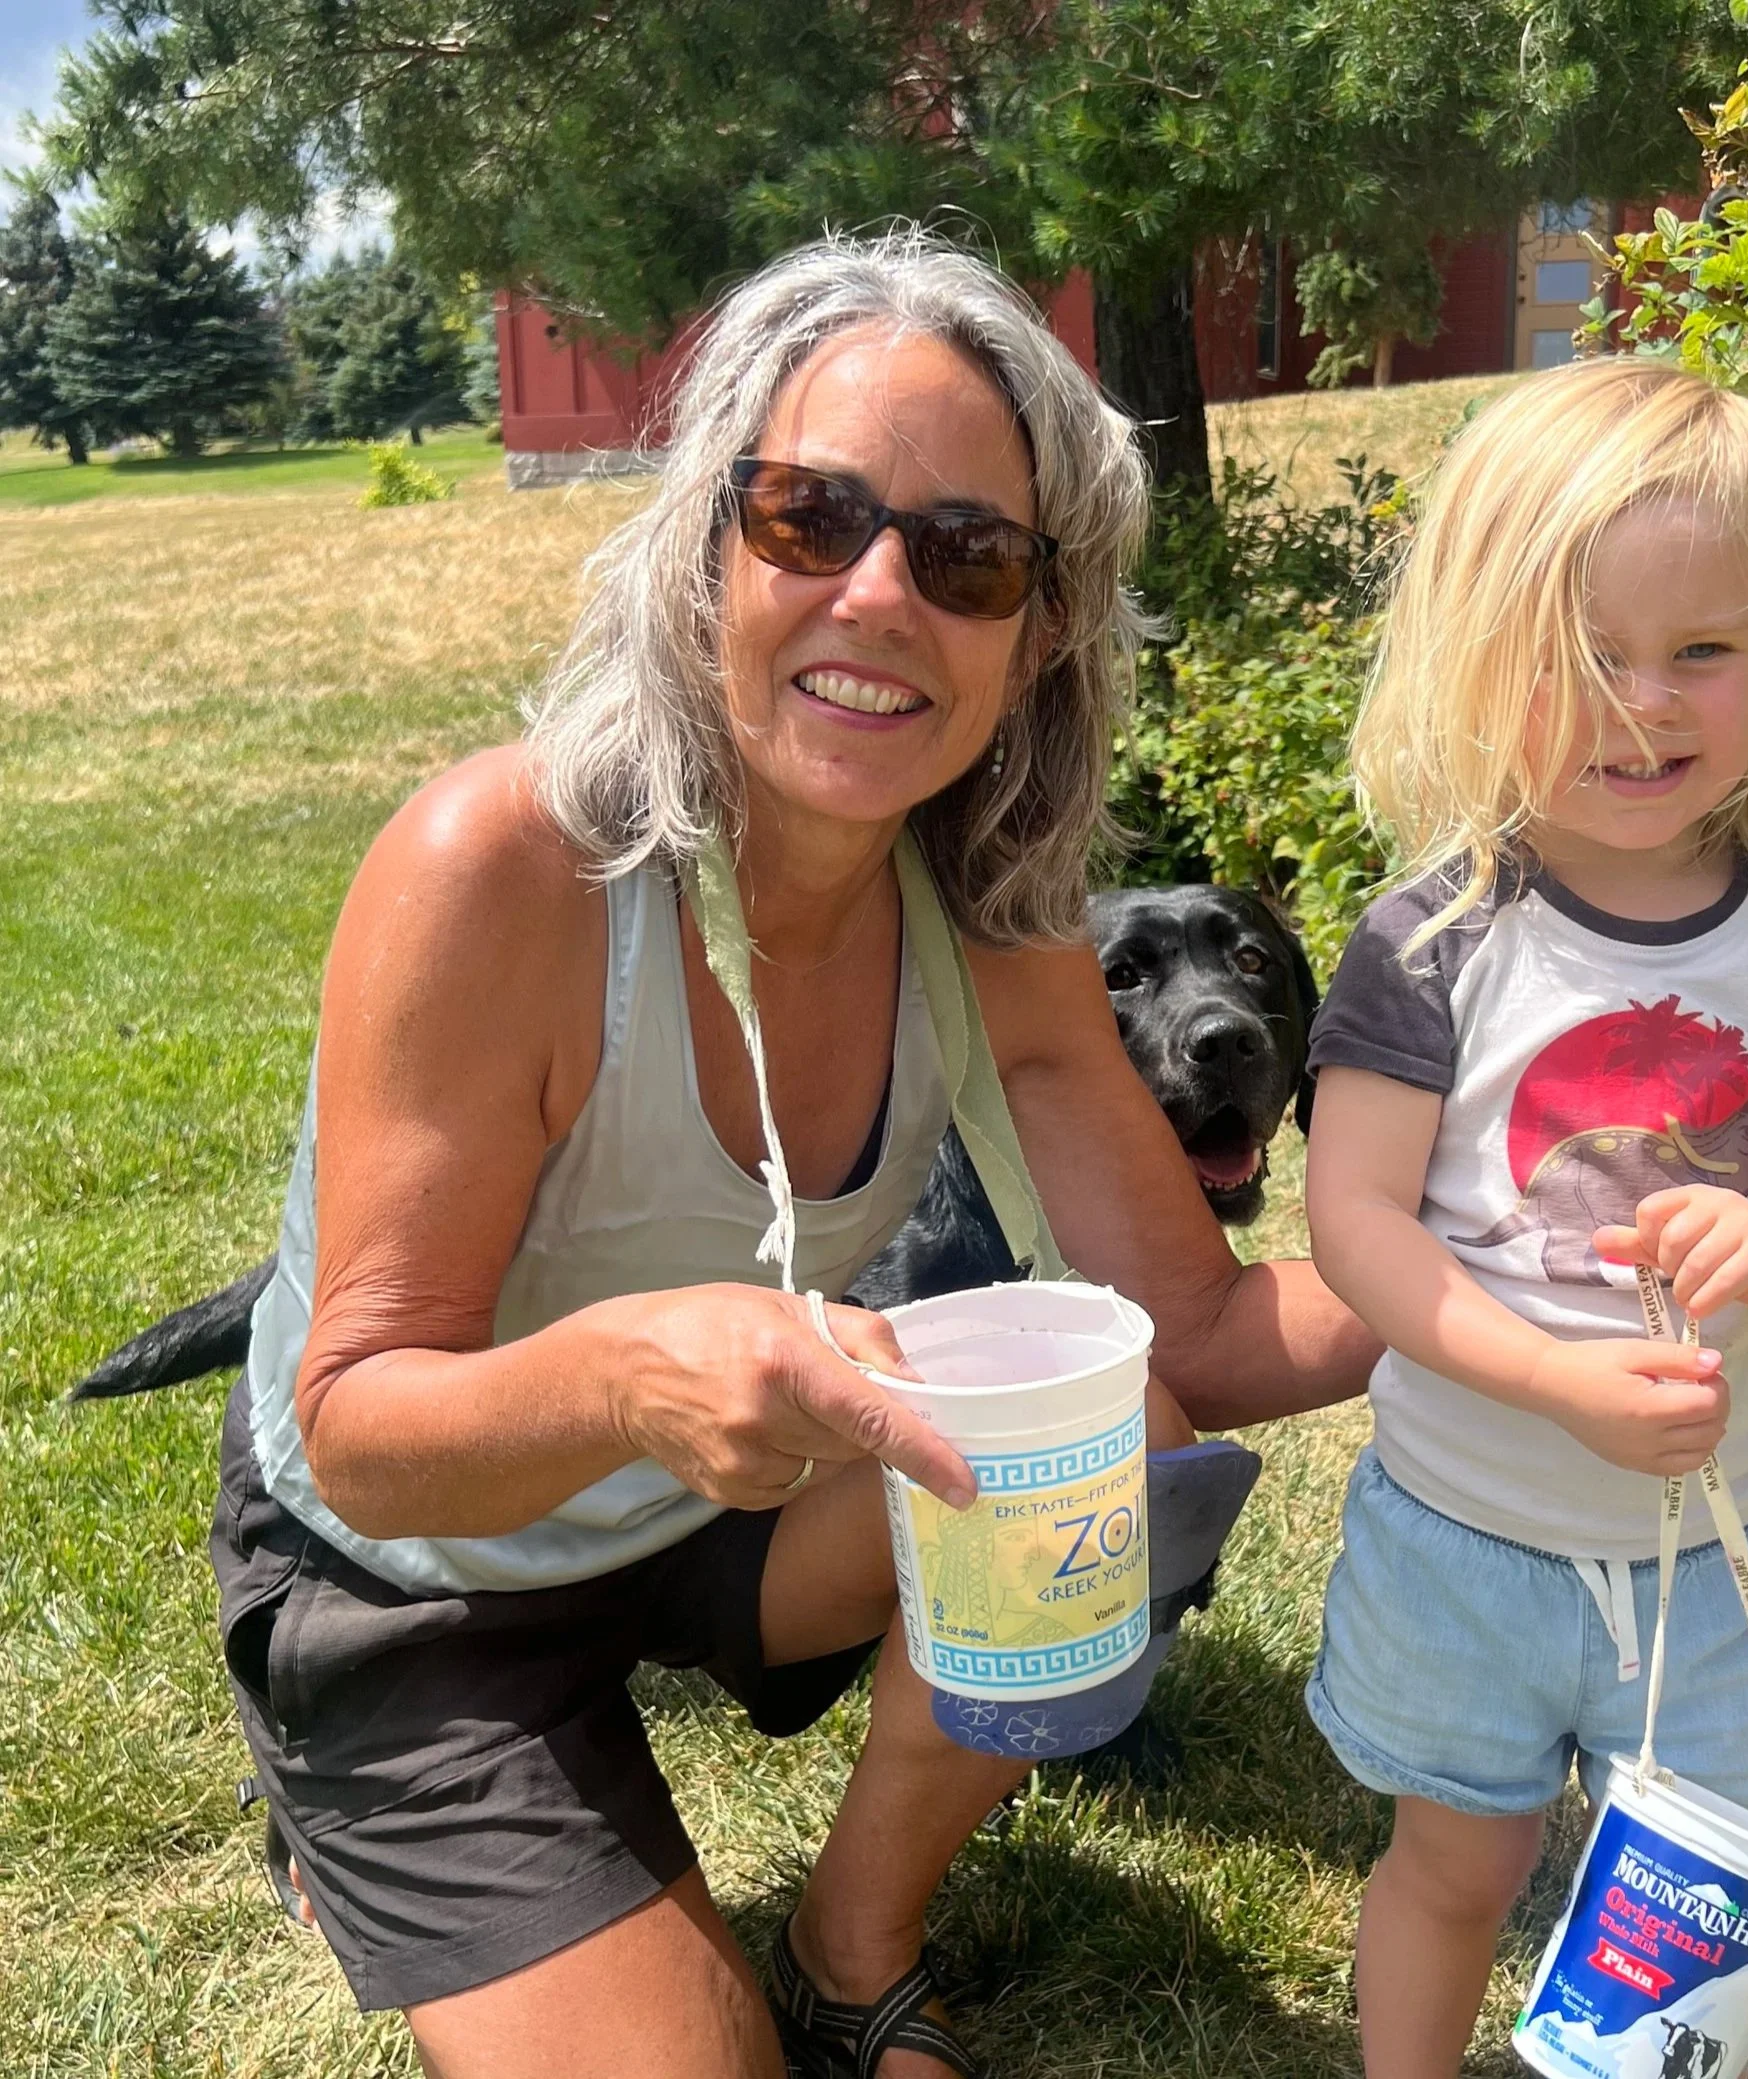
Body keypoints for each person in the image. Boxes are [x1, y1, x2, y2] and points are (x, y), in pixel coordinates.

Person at [212, 230, 1378, 2079]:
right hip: (410, 1563)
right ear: (705, 549)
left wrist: (1520, 1271)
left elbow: (1207, 1336)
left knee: (1119, 1435)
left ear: (1038, 631)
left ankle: (853, 1944)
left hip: (718, 1513)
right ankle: (353, 1799)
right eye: (807, 517)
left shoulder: (989, 920)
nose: (879, 593)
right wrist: (625, 1372)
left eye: (967, 554)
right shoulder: (501, 867)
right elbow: (358, 1417)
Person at [1299, 358, 1748, 2078]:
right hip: (1465, 1532)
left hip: (1720, 1552)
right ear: (1472, 658)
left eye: (1699, 650)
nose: (1641, 705)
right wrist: (1544, 1375)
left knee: (1693, 1896)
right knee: (1455, 1863)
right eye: (1579, 655)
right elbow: (1355, 1219)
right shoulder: (1435, 939)